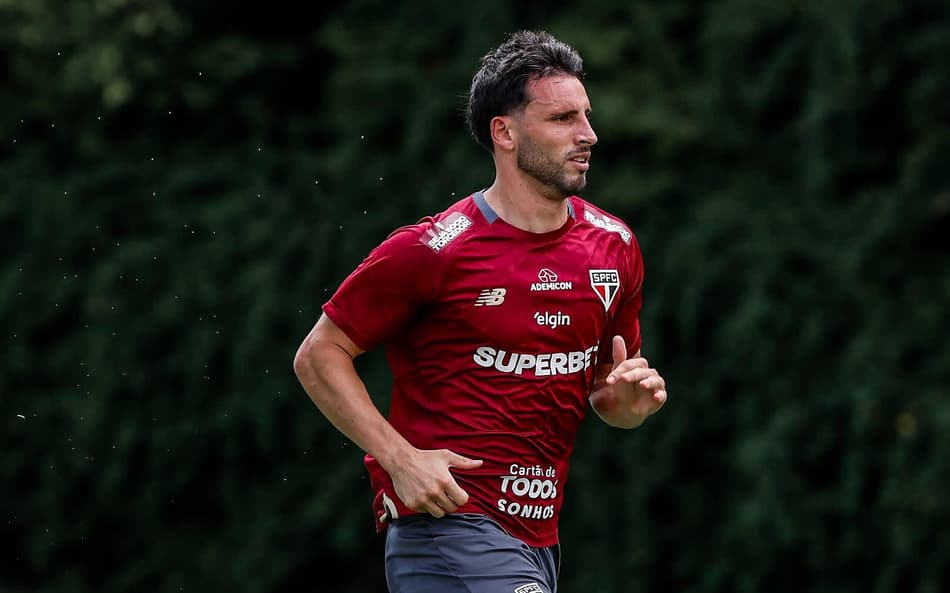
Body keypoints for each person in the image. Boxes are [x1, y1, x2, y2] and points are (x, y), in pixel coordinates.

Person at [293, 29, 667, 593]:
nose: (588, 134)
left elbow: (605, 395)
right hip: (448, 527)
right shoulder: (433, 250)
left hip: (538, 540)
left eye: (586, 116)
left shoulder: (614, 246)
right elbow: (319, 354)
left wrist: (629, 404)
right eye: (562, 119)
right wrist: (400, 458)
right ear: (505, 132)